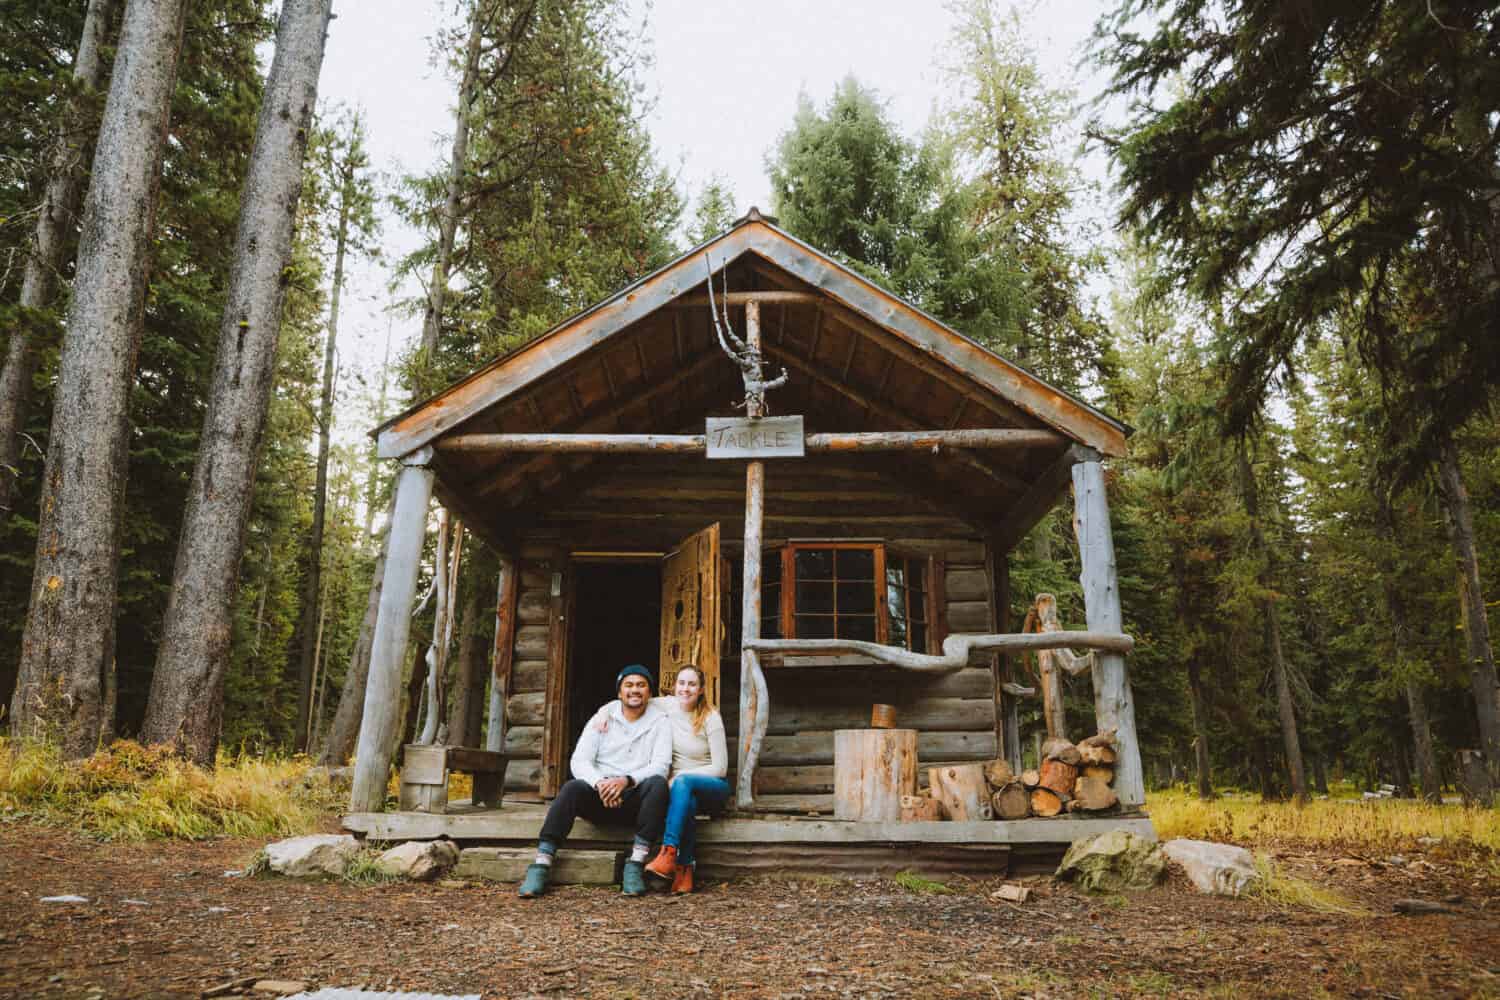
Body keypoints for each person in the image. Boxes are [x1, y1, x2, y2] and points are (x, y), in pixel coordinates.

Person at [517, 664, 671, 898]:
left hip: (635, 800)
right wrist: (601, 784)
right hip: (600, 797)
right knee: (572, 788)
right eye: (628, 685)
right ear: (619, 692)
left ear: (649, 692)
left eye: (641, 685)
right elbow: (579, 760)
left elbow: (660, 765)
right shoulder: (602, 719)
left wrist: (626, 781)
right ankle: (542, 863)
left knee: (658, 784)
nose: (635, 690)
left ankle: (636, 864)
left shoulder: (660, 721)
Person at [591, 665, 728, 894]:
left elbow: (720, 768)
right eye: (682, 683)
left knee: (683, 786)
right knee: (687, 803)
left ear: (701, 689)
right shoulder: (666, 705)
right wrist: (602, 713)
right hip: (683, 792)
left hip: (712, 786)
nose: (686, 689)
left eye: (692, 684)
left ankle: (668, 853)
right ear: (674, 687)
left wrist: (682, 776)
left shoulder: (710, 717)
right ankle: (685, 869)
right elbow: (628, 700)